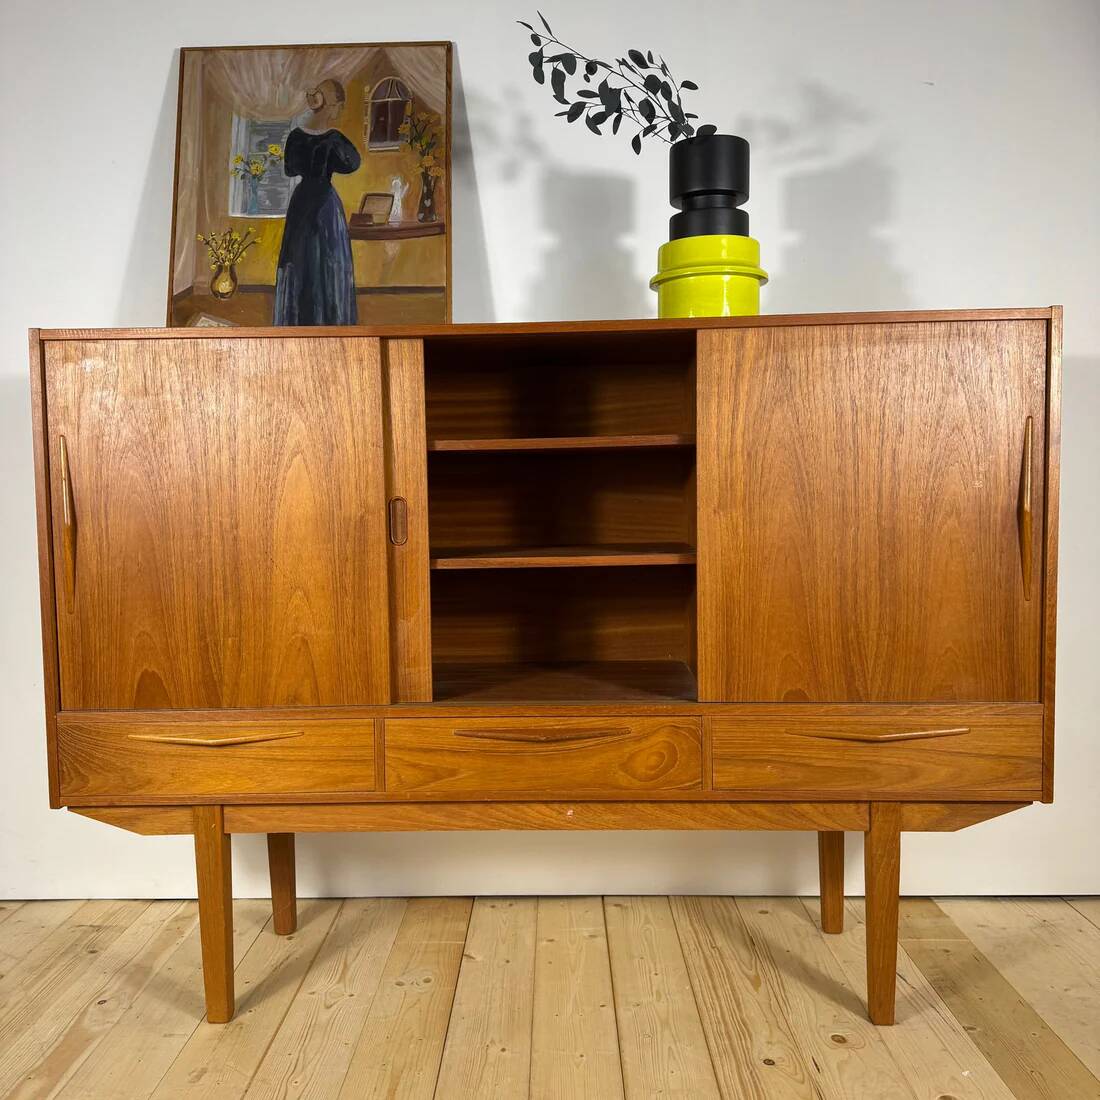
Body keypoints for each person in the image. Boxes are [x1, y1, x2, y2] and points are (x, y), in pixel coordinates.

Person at [273, 79, 360, 325]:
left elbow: (290, 169)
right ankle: (331, 321)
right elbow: (352, 163)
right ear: (331, 106)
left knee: (300, 260)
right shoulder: (334, 139)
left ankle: (298, 321)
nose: (339, 112)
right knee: (327, 263)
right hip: (325, 206)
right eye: (338, 107)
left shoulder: (295, 137)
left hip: (301, 202)